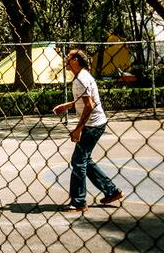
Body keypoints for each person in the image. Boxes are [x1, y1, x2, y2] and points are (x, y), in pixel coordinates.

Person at [52, 49, 123, 212]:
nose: (65, 59)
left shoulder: (81, 79)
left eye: (68, 57)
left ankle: (79, 201)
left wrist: (78, 129)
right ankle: (112, 191)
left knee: (78, 161)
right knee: (85, 159)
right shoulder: (82, 76)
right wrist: (68, 105)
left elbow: (89, 106)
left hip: (93, 125)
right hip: (95, 123)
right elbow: (85, 100)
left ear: (75, 60)